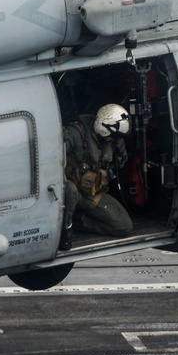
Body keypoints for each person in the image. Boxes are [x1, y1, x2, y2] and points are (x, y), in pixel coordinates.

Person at [59, 104, 134, 250]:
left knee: (124, 226)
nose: (112, 139)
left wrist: (120, 150)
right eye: (113, 136)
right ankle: (65, 229)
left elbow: (121, 164)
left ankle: (80, 221)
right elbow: (54, 156)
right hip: (70, 193)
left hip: (91, 193)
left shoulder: (112, 140)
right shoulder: (75, 134)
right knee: (69, 189)